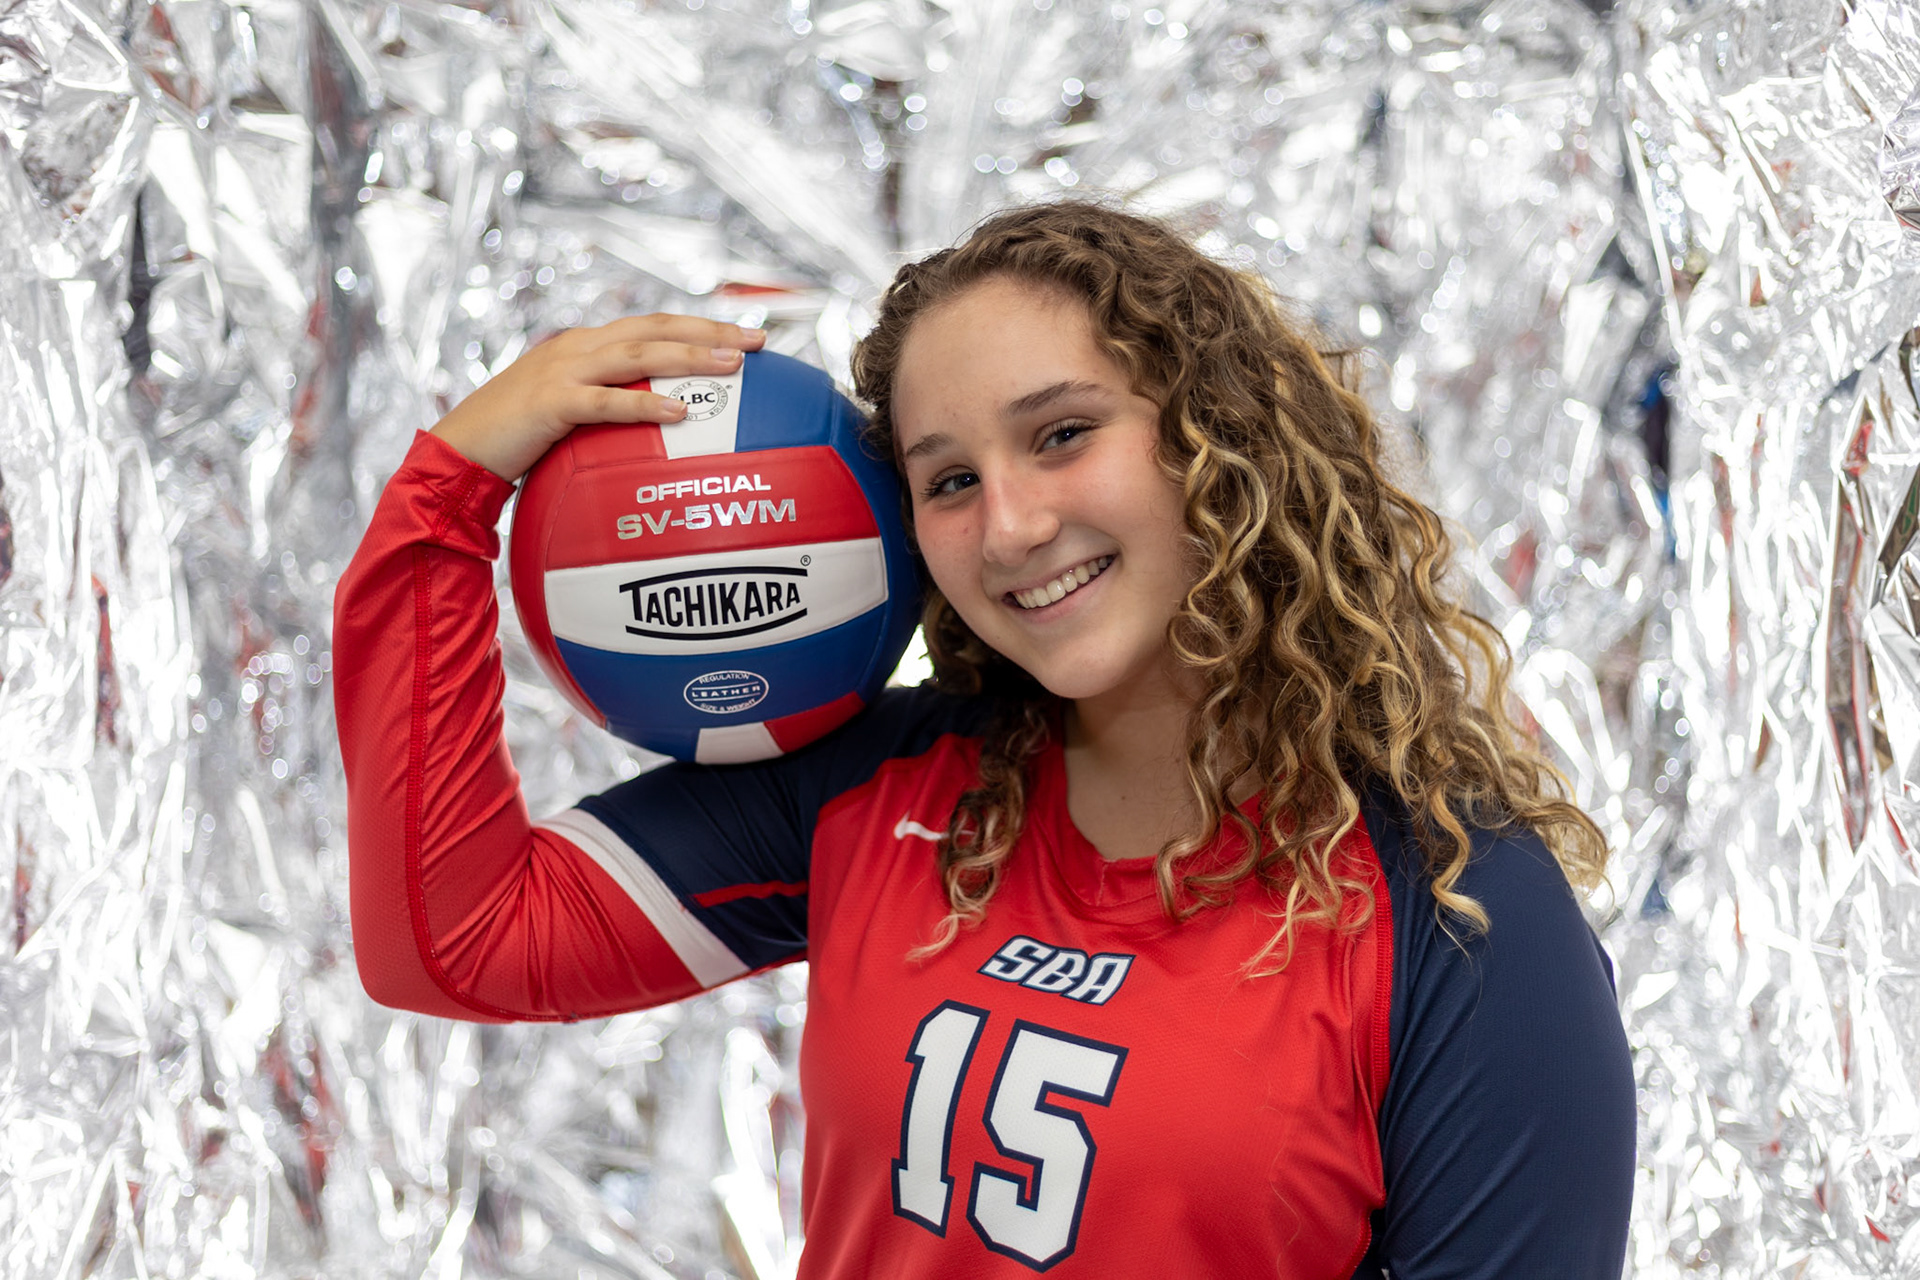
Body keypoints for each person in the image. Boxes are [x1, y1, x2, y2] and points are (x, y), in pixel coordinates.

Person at [334, 199, 1636, 1278]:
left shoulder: (1460, 914)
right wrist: (451, 486)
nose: (1007, 525)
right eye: (949, 479)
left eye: (1063, 435)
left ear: (1218, 443)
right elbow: (453, 938)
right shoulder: (878, 789)